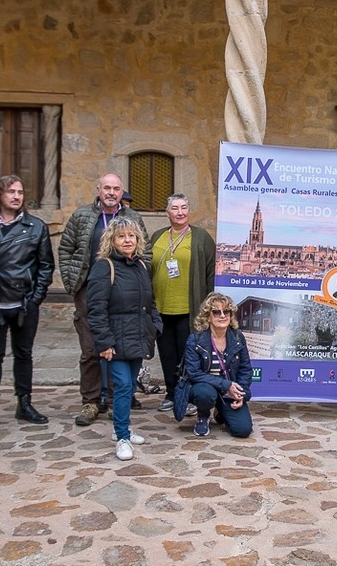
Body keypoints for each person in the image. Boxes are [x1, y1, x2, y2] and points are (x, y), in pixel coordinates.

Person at [59, 173, 150, 427]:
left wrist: (138, 279)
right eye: (107, 188)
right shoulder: (82, 216)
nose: (111, 192)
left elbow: (146, 251)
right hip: (89, 292)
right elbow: (66, 248)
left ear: (122, 193)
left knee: (117, 348)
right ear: (98, 189)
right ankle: (90, 400)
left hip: (122, 292)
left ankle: (113, 401)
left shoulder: (133, 218)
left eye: (116, 189)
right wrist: (72, 282)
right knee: (91, 348)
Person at [0, 175, 54, 432]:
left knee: (24, 355)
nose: (16, 196)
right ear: (0, 194)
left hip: (23, 302)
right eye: (11, 191)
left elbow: (45, 266)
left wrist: (35, 299)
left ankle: (25, 403)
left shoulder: (35, 227)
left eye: (20, 192)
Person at [86, 218, 162, 460]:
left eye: (132, 236)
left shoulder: (141, 266)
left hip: (138, 337)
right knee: (123, 387)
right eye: (122, 236)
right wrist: (104, 342)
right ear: (112, 240)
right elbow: (96, 310)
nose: (128, 240)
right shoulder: (103, 268)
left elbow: (149, 302)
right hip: (116, 341)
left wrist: (155, 326)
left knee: (128, 390)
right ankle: (121, 437)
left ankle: (123, 427)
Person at [149, 194, 215, 413]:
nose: (180, 212)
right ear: (167, 213)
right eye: (175, 208)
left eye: (184, 207)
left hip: (189, 309)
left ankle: (188, 395)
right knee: (167, 353)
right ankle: (170, 393)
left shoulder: (201, 238)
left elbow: (210, 273)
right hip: (161, 308)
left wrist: (207, 307)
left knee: (188, 354)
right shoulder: (158, 236)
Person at [183, 293, 254, 438]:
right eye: (216, 312)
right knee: (205, 393)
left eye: (226, 311)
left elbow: (245, 369)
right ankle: (203, 415)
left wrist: (241, 394)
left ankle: (221, 411)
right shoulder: (195, 339)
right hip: (204, 387)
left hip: (228, 391)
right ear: (207, 317)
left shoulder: (238, 337)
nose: (222, 316)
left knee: (243, 430)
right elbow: (194, 373)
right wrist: (226, 384)